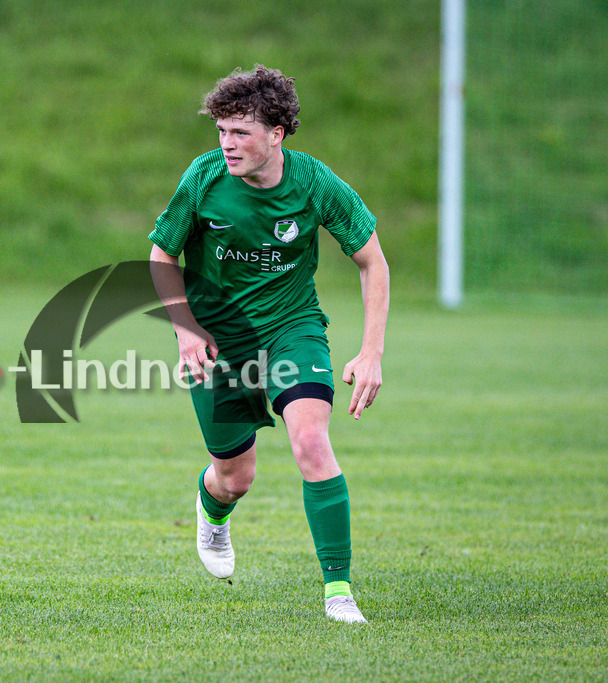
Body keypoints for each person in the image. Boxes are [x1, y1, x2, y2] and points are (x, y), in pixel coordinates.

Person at [148, 65, 389, 624]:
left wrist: (370, 350)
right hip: (218, 339)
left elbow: (372, 260)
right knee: (236, 476)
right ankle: (213, 512)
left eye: (241, 132)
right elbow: (163, 255)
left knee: (310, 441)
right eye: (222, 131)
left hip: (291, 327)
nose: (227, 144)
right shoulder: (204, 178)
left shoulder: (316, 185)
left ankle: (338, 590)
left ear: (277, 134)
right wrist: (185, 328)